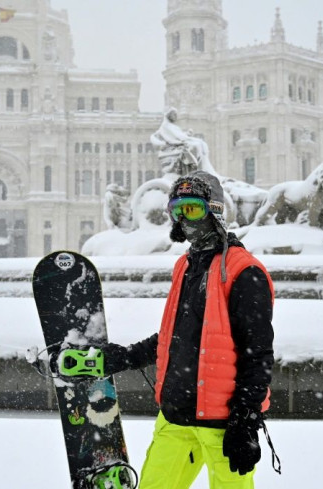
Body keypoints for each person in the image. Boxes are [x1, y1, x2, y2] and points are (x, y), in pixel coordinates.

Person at [55, 171, 277, 489]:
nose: (184, 219)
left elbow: (257, 352)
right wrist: (125, 356)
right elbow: (176, 336)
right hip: (176, 416)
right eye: (177, 209)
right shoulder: (185, 266)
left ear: (213, 209)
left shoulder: (244, 271)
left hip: (223, 423)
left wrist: (246, 415)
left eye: (192, 208)